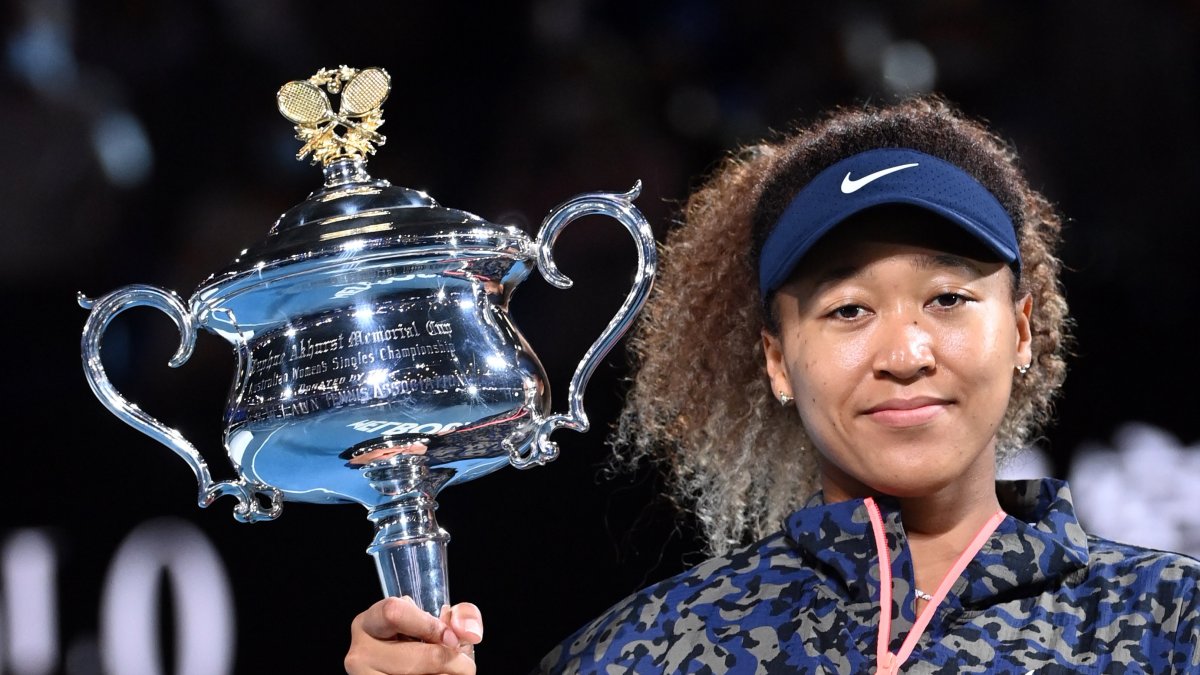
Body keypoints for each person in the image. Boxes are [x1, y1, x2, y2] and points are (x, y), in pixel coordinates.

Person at [342, 97, 1200, 674]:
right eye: (848, 310)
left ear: (1020, 330)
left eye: (948, 298)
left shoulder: (1173, 622)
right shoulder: (643, 651)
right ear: (777, 359)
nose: (904, 351)